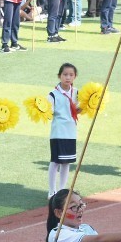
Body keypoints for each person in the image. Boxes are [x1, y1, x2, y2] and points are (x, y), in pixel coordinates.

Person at [48, 63, 79, 197]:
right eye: (65, 75)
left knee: (67, 162)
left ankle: (62, 190)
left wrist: (91, 104)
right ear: (59, 76)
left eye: (71, 75)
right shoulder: (52, 94)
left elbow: (77, 110)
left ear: (75, 77)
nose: (68, 77)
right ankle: (51, 190)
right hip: (58, 132)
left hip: (71, 131)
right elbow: (49, 112)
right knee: (55, 161)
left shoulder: (77, 92)